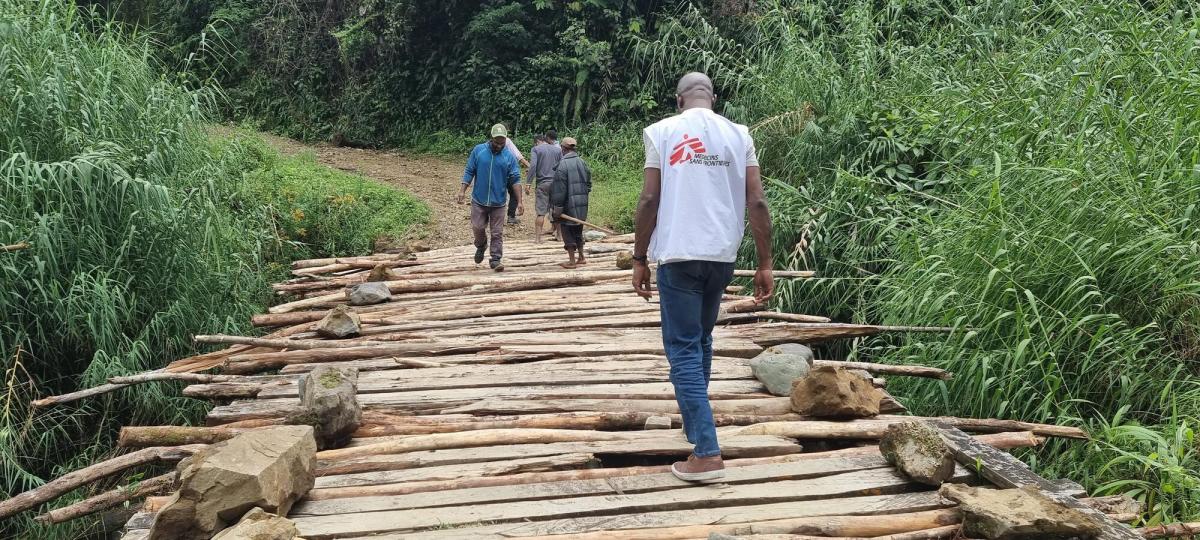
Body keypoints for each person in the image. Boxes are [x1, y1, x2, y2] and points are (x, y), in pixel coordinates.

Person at [631, 72, 774, 481]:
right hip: (721, 256)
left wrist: (639, 256)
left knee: (682, 349)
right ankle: (696, 425)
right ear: (712, 97)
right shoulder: (739, 135)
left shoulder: (661, 132)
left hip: (678, 255)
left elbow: (649, 198)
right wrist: (765, 264)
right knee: (702, 340)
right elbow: (758, 202)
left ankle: (707, 451)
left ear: (679, 100)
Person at [459, 123, 523, 271]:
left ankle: (495, 259)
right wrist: (462, 190)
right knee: (478, 227)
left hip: (498, 202)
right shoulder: (479, 151)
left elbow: (516, 179)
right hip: (479, 200)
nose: (499, 145)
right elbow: (469, 170)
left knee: (497, 232)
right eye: (496, 142)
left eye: (502, 142)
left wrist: (519, 201)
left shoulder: (509, 156)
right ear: (491, 138)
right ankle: (481, 245)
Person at [549, 137, 591, 267]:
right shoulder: (582, 162)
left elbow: (559, 191)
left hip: (568, 205)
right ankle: (581, 257)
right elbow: (589, 184)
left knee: (567, 230)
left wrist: (557, 208)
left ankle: (572, 261)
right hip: (582, 203)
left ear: (563, 149)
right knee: (578, 228)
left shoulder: (562, 165)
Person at [527, 129, 563, 243]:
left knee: (541, 212)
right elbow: (561, 166)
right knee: (556, 211)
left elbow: (533, 166)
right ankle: (559, 236)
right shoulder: (558, 150)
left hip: (542, 184)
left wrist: (528, 182)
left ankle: (538, 239)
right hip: (556, 184)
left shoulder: (536, 149)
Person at [504, 126, 531, 225]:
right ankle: (511, 217)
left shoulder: (491, 143)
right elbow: (518, 155)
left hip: (499, 172)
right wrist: (529, 165)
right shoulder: (507, 141)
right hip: (510, 173)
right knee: (514, 194)